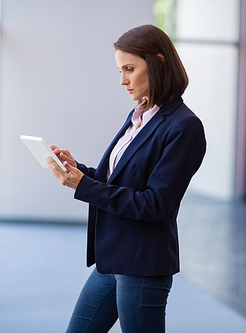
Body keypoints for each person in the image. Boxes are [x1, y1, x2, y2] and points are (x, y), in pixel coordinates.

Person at [45, 24, 206, 333]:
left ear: (158, 62)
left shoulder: (184, 127)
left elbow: (155, 205)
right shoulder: (139, 115)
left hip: (143, 265)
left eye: (129, 69)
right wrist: (77, 170)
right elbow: (117, 181)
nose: (122, 80)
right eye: (120, 70)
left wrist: (83, 185)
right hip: (112, 257)